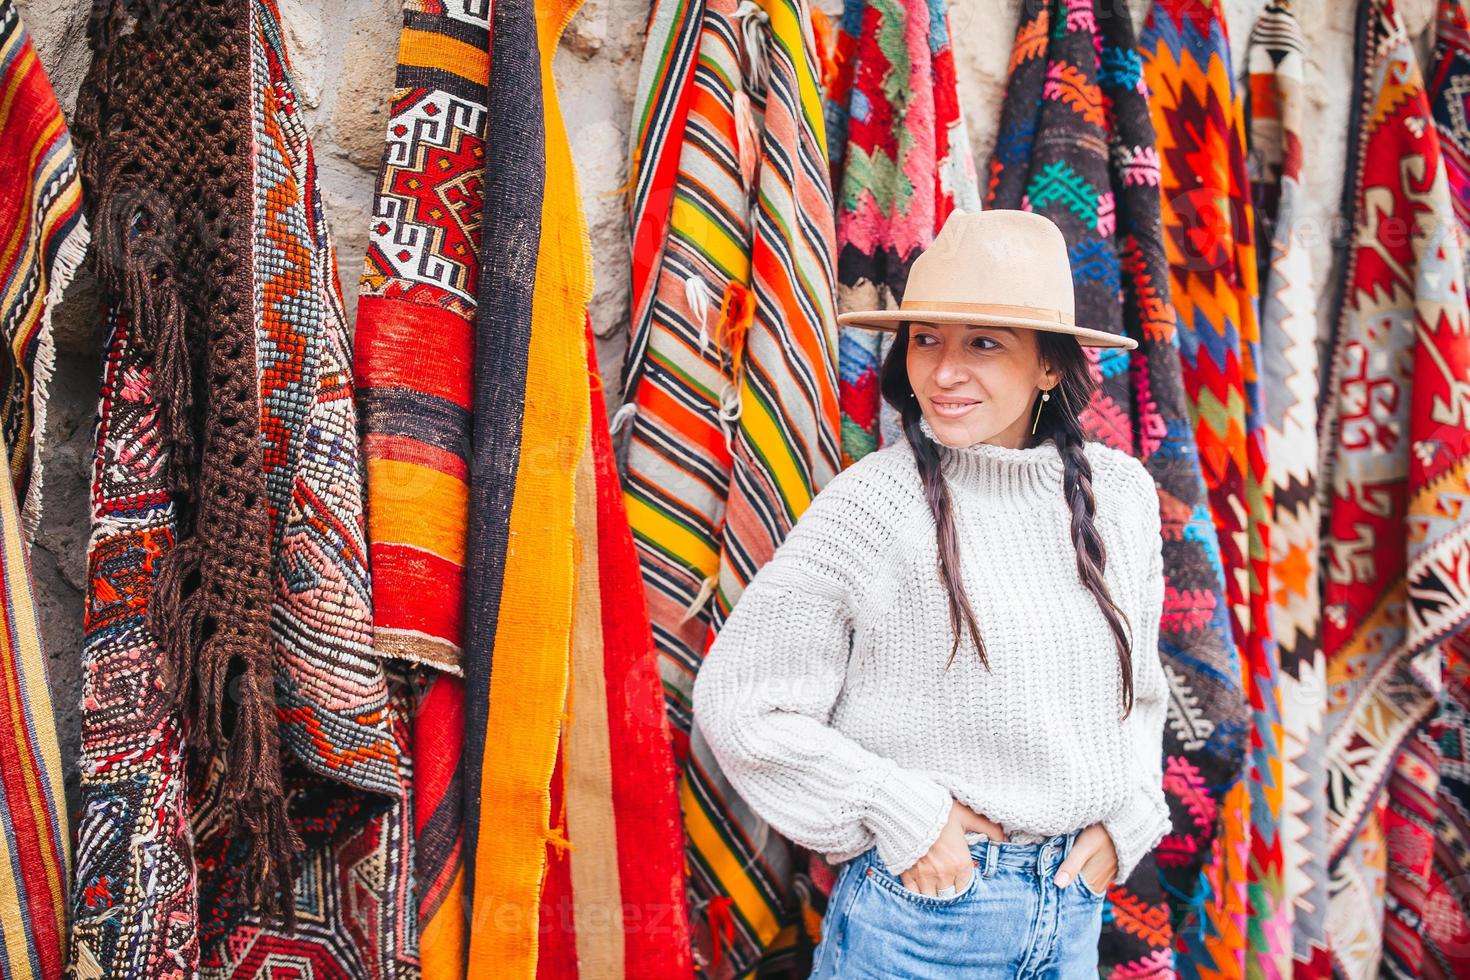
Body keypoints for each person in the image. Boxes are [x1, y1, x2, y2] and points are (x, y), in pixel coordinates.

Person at [689, 209, 1171, 977]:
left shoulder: (1120, 496)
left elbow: (1140, 694)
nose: (944, 373)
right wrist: (899, 810)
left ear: (1051, 365)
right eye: (925, 340)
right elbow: (743, 703)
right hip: (926, 916)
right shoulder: (873, 504)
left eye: (983, 342)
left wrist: (1131, 817)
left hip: (1075, 907)